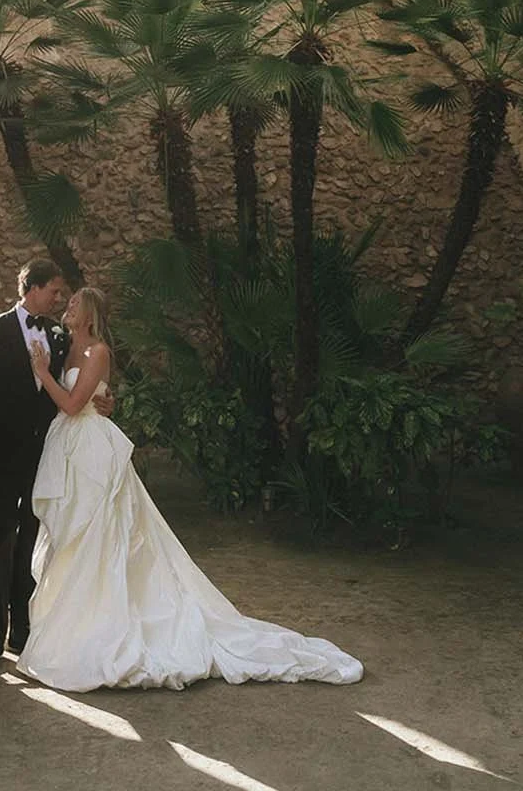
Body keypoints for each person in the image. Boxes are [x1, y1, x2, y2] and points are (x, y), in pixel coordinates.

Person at [18, 285, 364, 692]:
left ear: (90, 315)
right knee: (72, 540)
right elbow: (92, 398)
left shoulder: (99, 352)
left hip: (92, 450)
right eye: (68, 301)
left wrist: (43, 374)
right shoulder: (63, 346)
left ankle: (109, 624)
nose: (68, 306)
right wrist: (78, 386)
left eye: (75, 303)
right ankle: (73, 622)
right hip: (68, 449)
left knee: (100, 534)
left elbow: (76, 404)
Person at [0, 257, 112, 675]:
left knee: (30, 543)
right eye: (54, 291)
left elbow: (76, 387)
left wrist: (103, 398)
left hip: (46, 455)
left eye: (63, 295)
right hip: (0, 456)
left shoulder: (61, 337)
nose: (59, 299)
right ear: (34, 288)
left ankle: (22, 632)